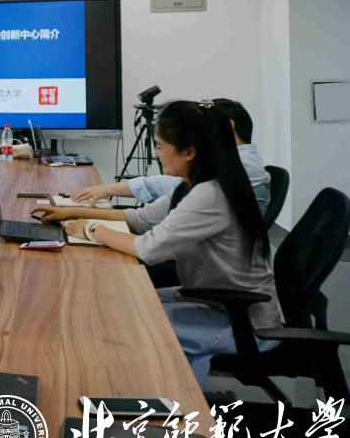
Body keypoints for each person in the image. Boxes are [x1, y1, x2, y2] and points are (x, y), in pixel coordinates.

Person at [33, 100, 280, 384]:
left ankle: (173, 403)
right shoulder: (195, 185)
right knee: (112, 304)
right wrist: (71, 213)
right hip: (212, 300)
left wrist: (91, 229)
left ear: (189, 152)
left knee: (121, 324)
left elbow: (147, 248)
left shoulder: (210, 194)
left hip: (239, 320)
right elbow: (141, 218)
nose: (156, 153)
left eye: (161, 145)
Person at [71, 98, 270, 210]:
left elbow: (150, 243)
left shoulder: (238, 168)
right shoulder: (236, 163)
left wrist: (93, 226)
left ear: (228, 127)